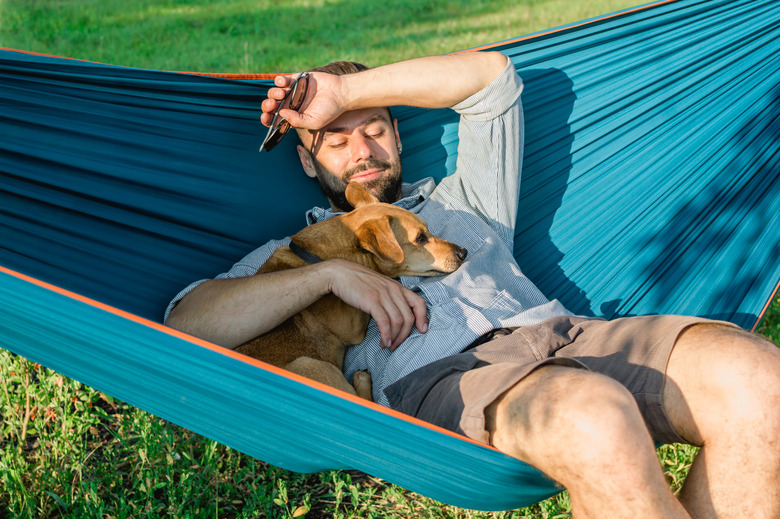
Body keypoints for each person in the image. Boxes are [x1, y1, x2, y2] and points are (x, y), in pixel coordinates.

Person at [164, 51, 780, 518]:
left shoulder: (463, 202)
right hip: (445, 379)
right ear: (306, 160)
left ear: (399, 135)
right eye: (335, 138)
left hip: (565, 334)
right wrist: (329, 273)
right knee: (597, 421)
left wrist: (343, 94)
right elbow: (187, 323)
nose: (362, 149)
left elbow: (494, 81)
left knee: (761, 382)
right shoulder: (294, 253)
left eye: (375, 127)